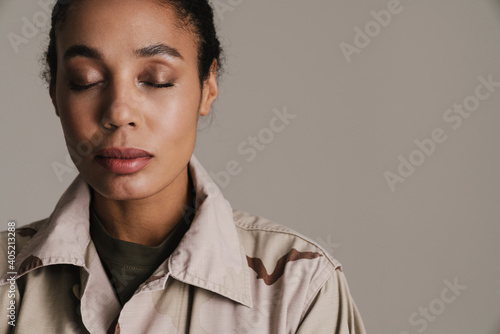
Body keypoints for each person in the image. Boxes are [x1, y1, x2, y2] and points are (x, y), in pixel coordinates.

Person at [0, 0, 366, 333]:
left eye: (156, 80)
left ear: (208, 86)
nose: (119, 112)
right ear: (55, 92)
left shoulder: (300, 287)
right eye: (87, 80)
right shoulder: (7, 279)